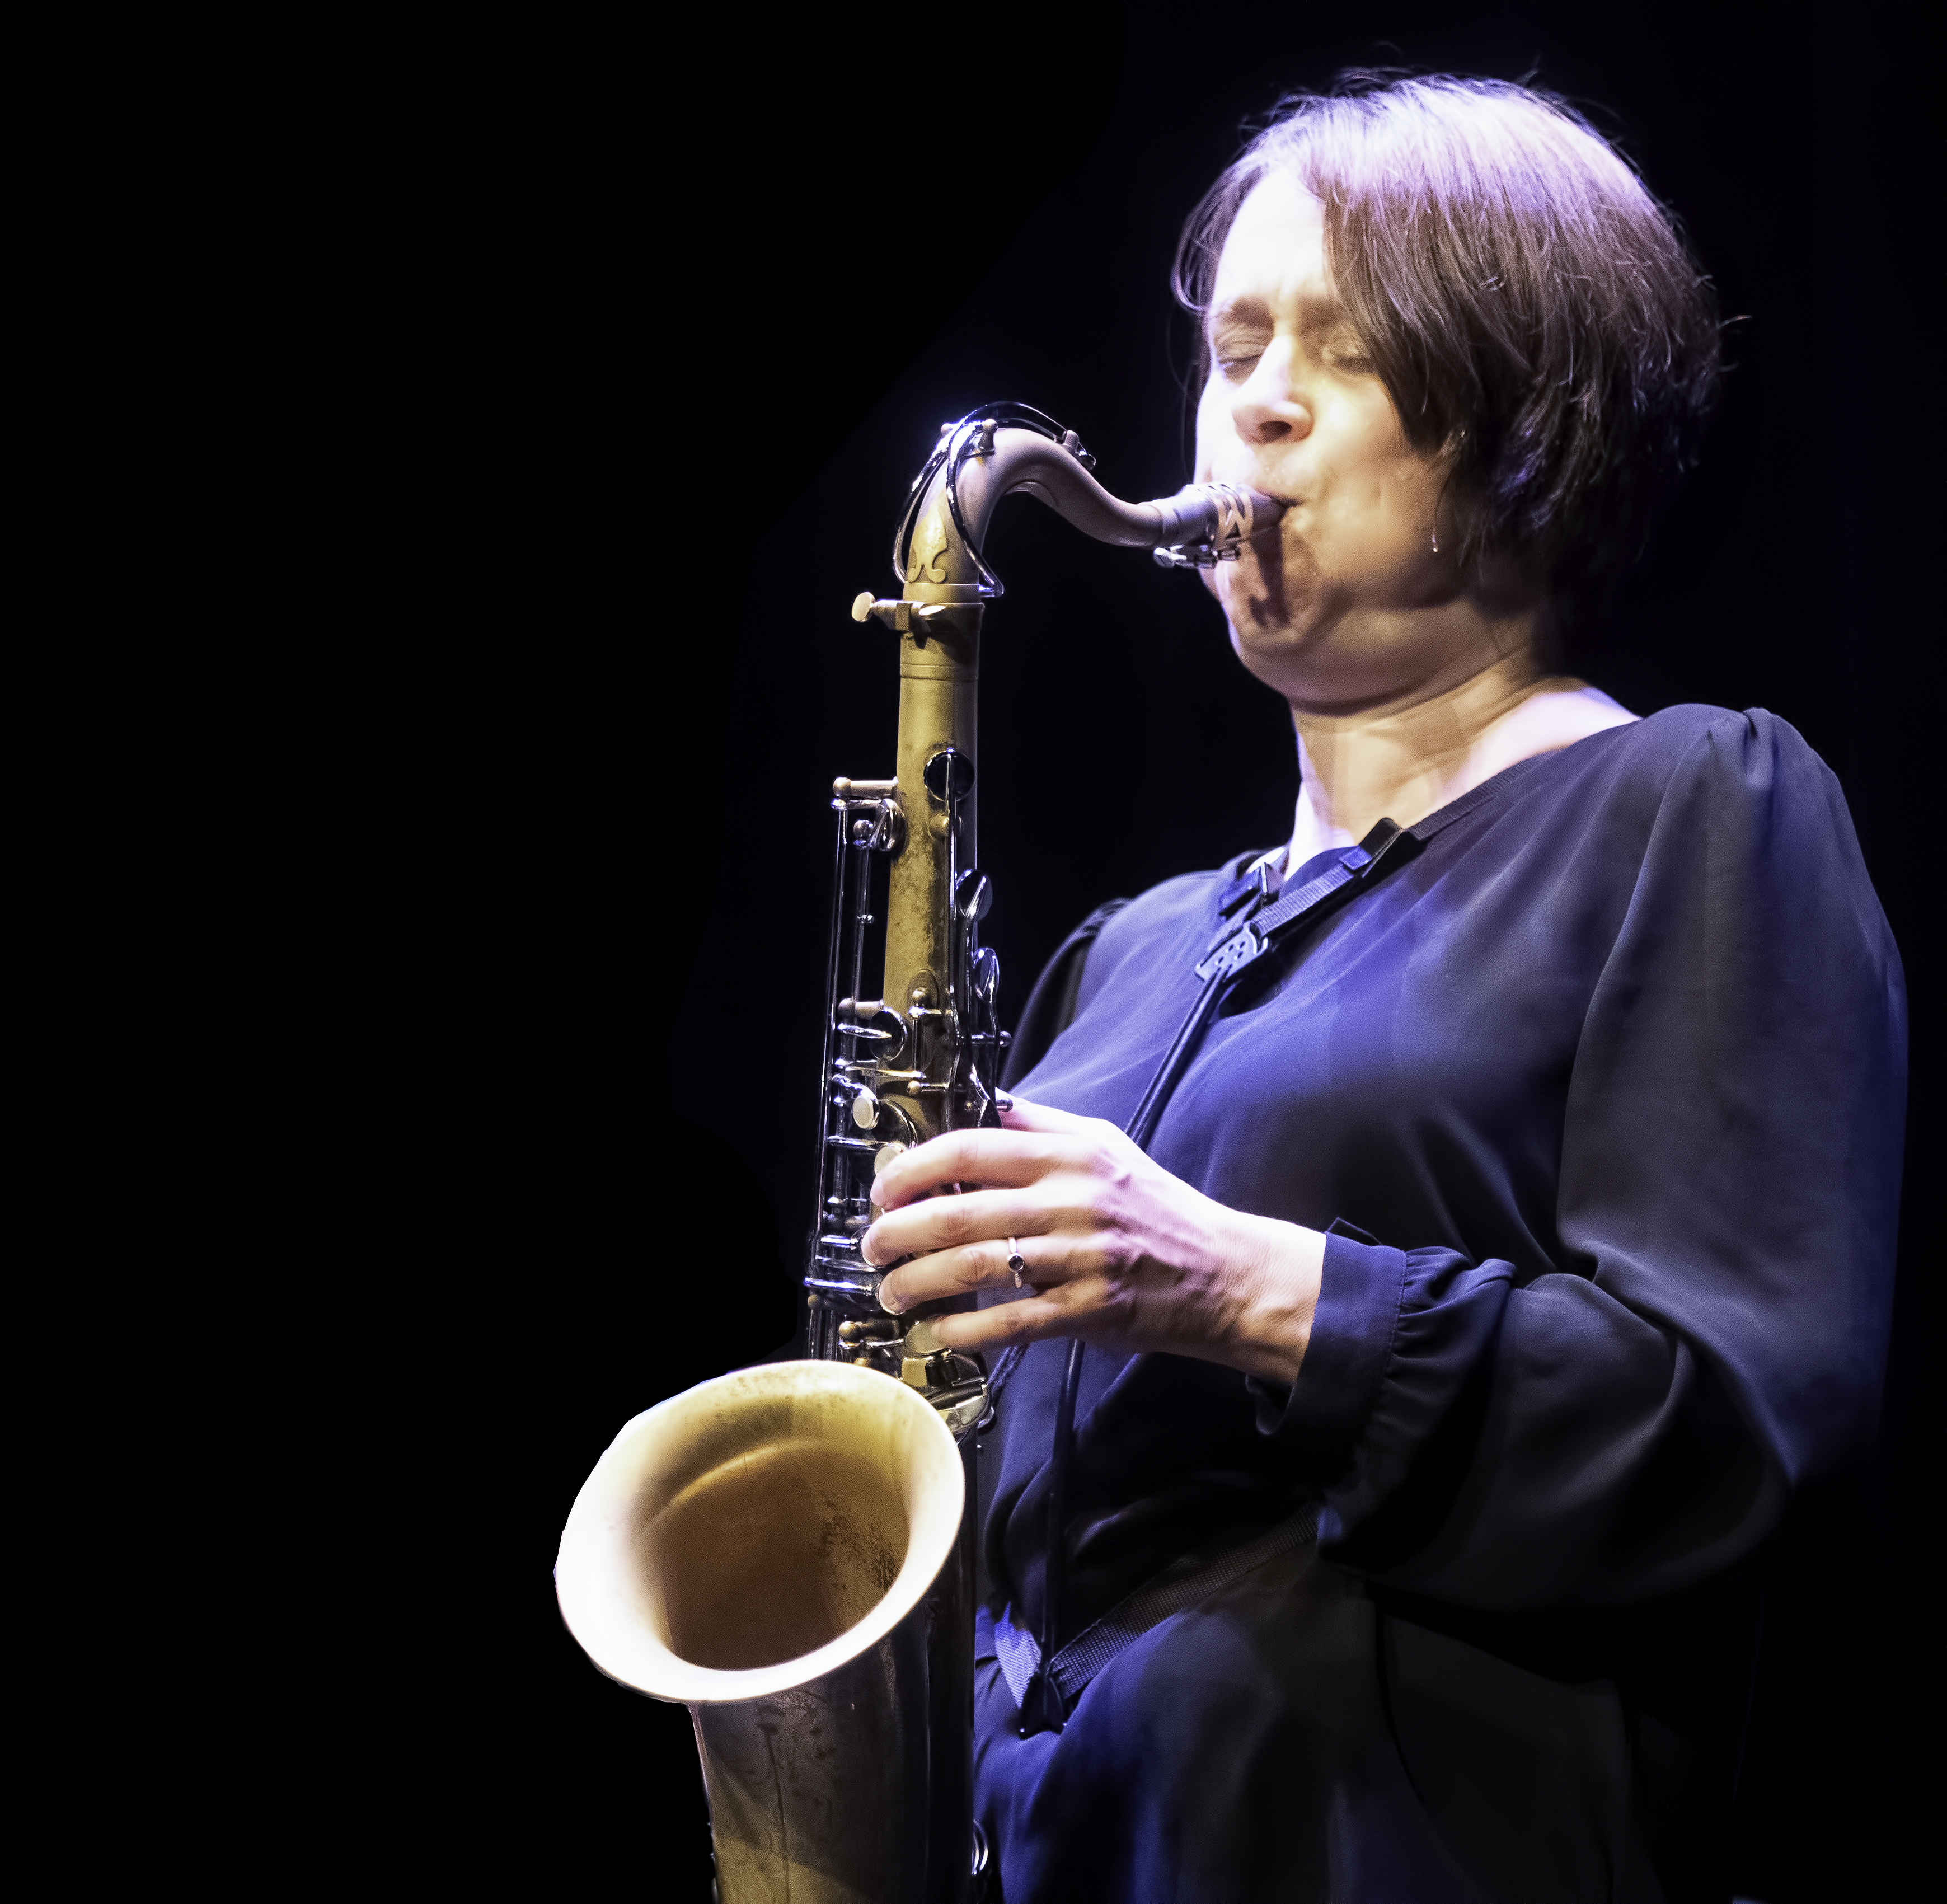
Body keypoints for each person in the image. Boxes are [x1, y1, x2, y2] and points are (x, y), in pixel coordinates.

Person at [857, 75, 1906, 1904]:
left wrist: (1242, 1284)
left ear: (1527, 425)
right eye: (1232, 341)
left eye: (1334, 355)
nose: (1249, 401)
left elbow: (1732, 1425)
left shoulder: (1694, 807)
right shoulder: (1129, 950)